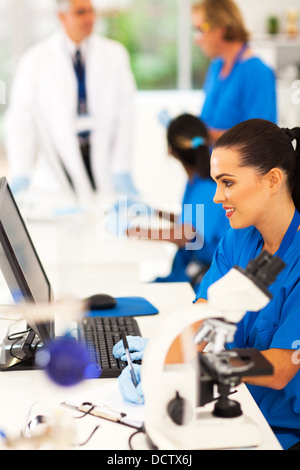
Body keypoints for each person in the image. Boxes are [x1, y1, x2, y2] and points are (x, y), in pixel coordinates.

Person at [114, 119, 300, 451]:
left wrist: (206, 366)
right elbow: (204, 319)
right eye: (216, 182)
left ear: (272, 180)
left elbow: (282, 367)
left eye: (227, 182)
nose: (216, 197)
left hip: (281, 432)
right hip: (240, 407)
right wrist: (159, 363)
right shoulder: (238, 240)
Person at [4, 0, 137, 198]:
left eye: (91, 11)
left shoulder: (114, 54)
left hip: (104, 165)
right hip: (57, 172)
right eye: (80, 12)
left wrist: (121, 168)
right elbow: (21, 121)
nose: (89, 18)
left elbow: (126, 115)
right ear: (61, 16)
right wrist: (21, 172)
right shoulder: (34, 60)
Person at [127, 113, 229, 291]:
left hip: (203, 280)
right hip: (192, 271)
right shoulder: (199, 179)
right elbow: (193, 221)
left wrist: (135, 231)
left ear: (171, 150)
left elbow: (187, 234)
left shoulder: (208, 184)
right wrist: (155, 212)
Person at [192, 0, 277, 143]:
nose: (198, 40)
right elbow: (208, 119)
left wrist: (206, 136)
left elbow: (259, 139)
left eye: (200, 30)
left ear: (221, 28)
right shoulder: (217, 66)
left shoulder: (257, 73)